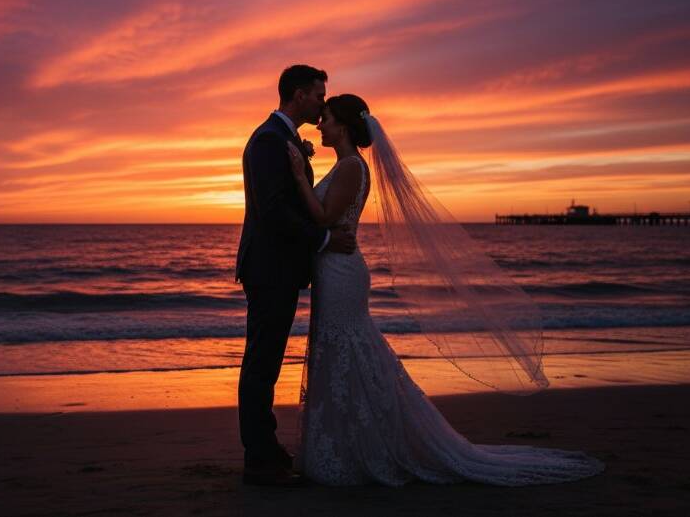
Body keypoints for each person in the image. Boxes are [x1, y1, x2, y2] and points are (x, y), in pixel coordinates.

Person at [286, 94, 605, 486]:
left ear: (345, 127)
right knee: (338, 352)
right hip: (333, 269)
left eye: (328, 118)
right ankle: (344, 444)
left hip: (341, 272)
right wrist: (306, 169)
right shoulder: (344, 166)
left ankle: (362, 447)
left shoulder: (352, 166)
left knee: (346, 350)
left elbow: (323, 217)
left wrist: (299, 176)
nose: (320, 125)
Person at [235, 65, 356, 486]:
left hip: (278, 267)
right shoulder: (270, 140)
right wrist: (322, 241)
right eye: (319, 95)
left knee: (265, 361)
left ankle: (265, 450)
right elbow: (273, 211)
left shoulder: (281, 138)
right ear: (300, 94)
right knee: (261, 364)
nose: (324, 103)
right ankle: (259, 459)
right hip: (270, 268)